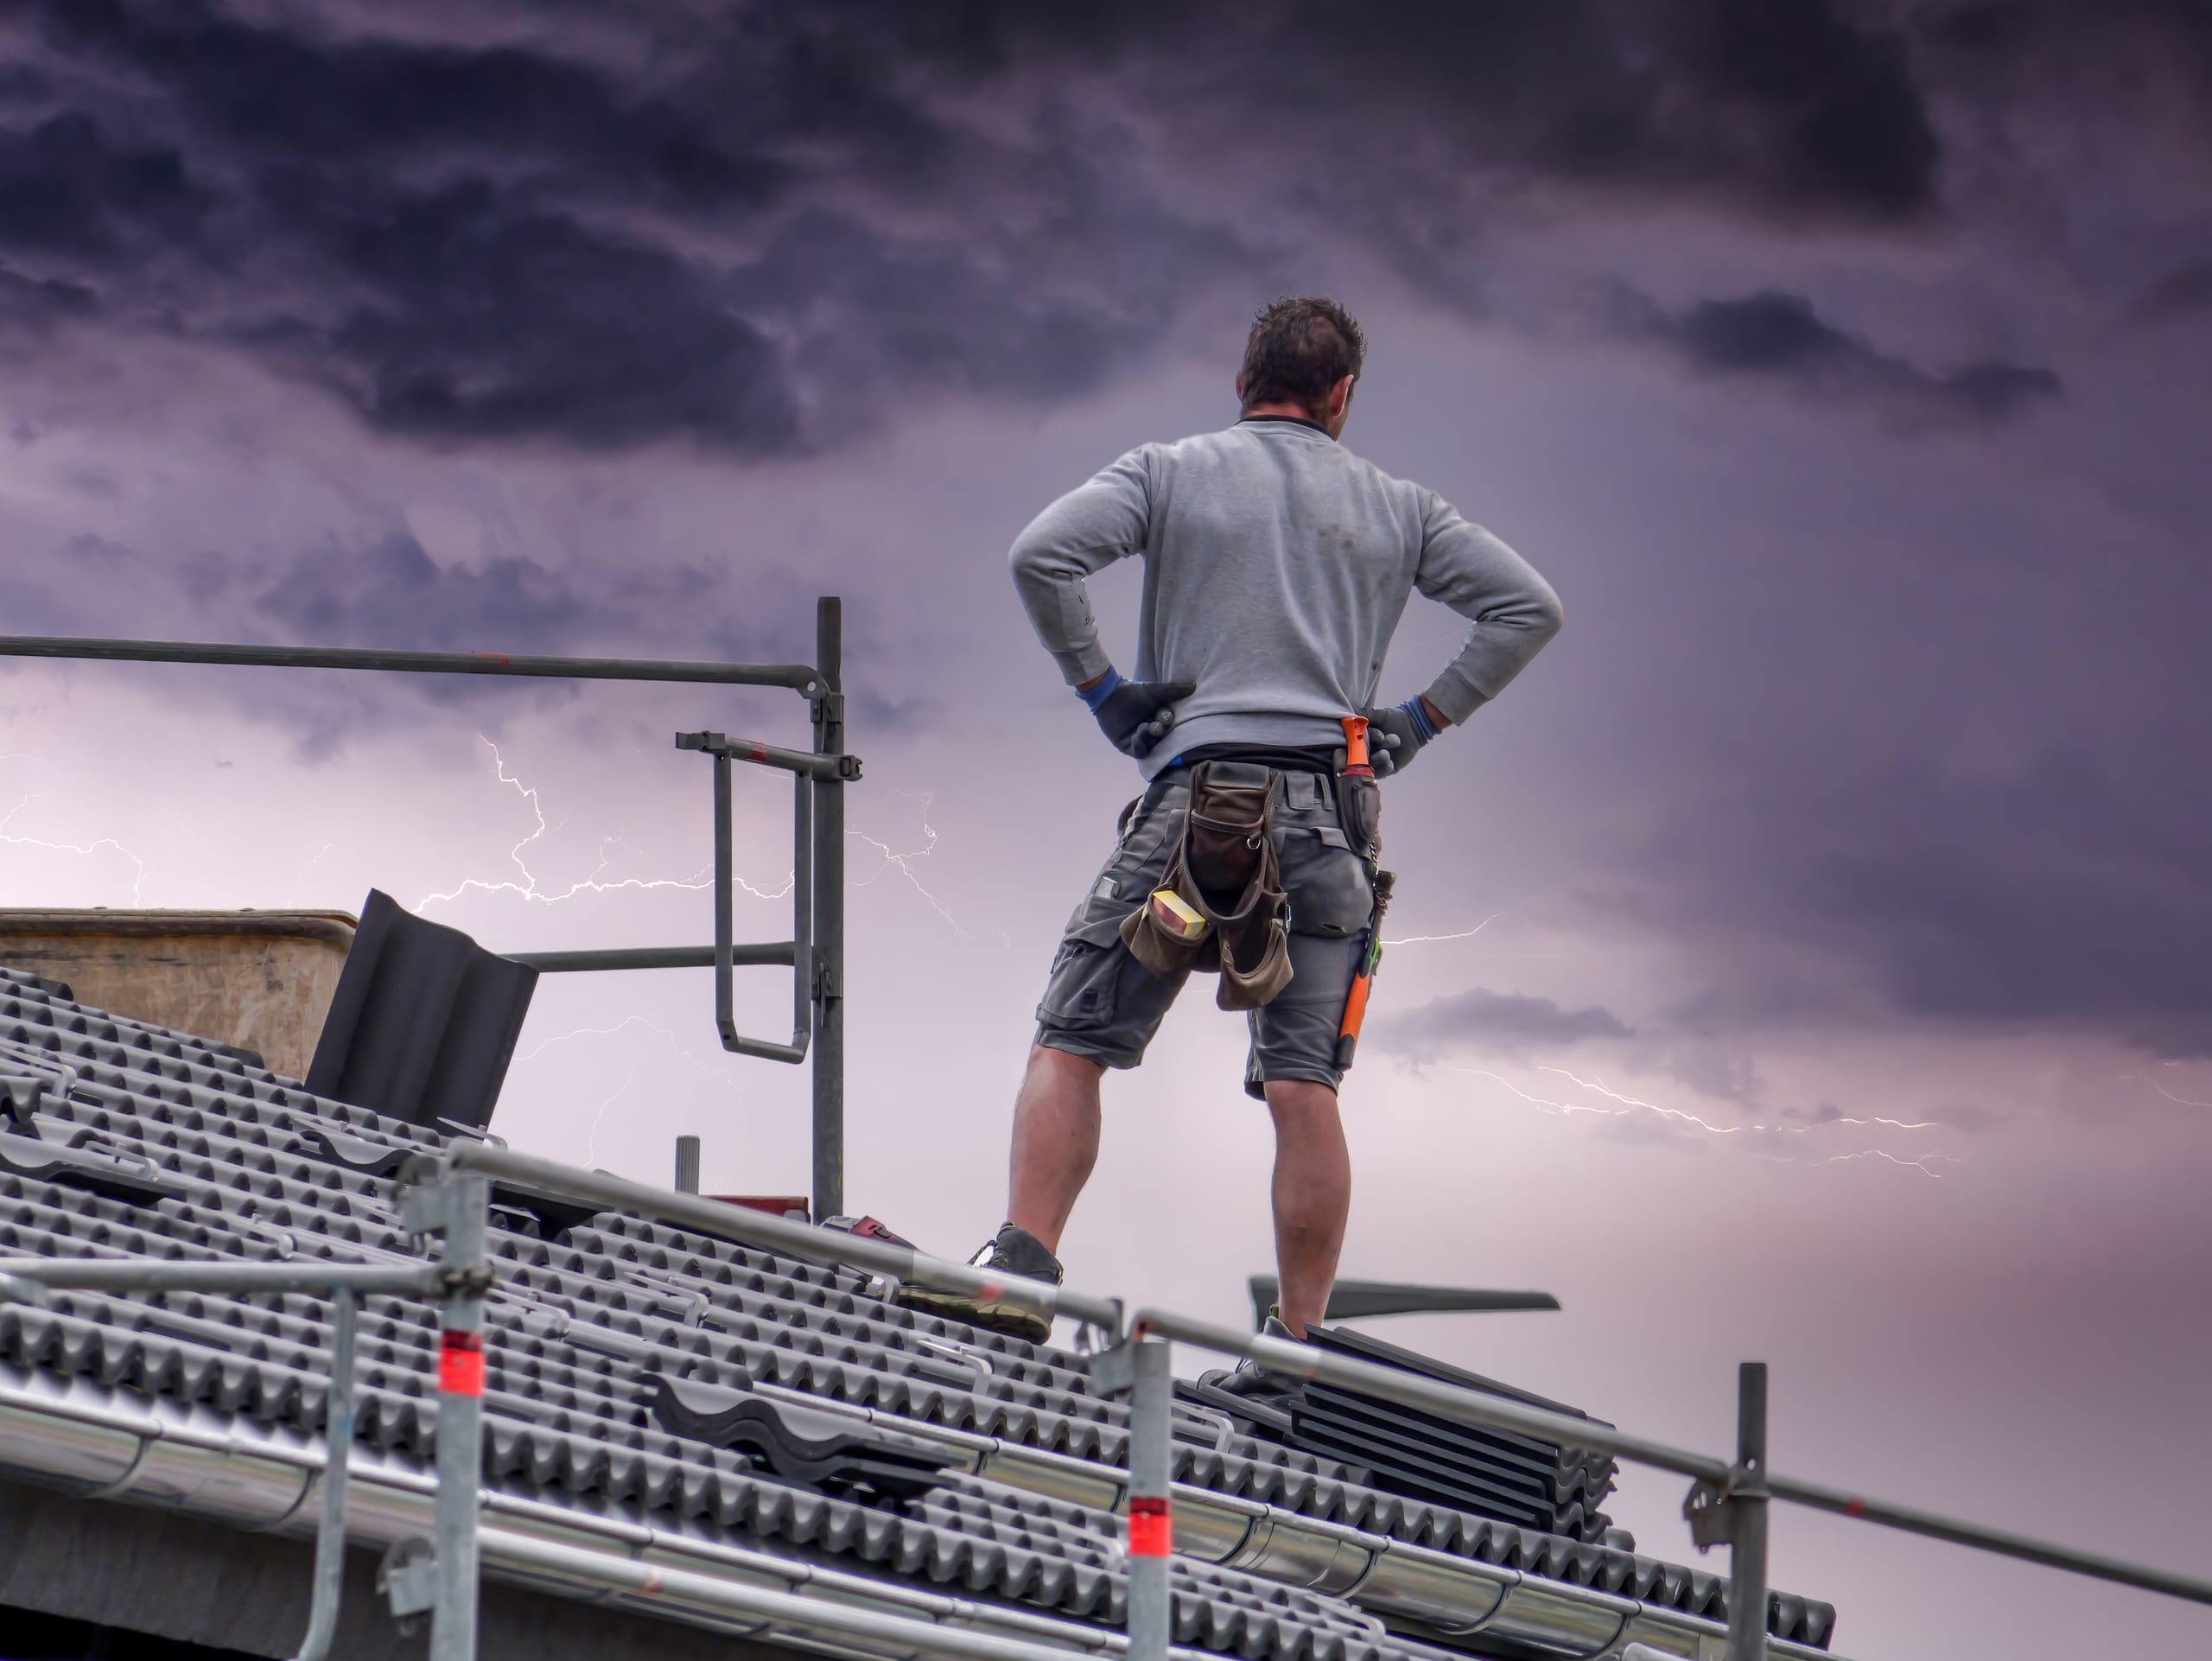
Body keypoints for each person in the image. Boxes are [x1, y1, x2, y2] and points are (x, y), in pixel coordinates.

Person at [900, 297, 1563, 1355]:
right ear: (1342, 395)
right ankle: (1299, 1345)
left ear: (1242, 380)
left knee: (1074, 1039)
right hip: (1326, 814)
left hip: (1194, 803)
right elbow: (1530, 607)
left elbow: (1042, 554)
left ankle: (1020, 1268)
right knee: (1303, 1082)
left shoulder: (1170, 471)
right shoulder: (1402, 508)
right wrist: (1420, 719)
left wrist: (1104, 688)